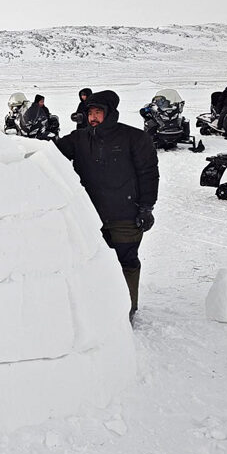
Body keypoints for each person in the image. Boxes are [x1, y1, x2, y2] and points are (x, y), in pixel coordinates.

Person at [54, 90, 159, 321]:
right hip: (90, 217)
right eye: (90, 112)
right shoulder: (79, 139)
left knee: (127, 261)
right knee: (92, 261)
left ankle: (127, 311)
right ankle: (98, 308)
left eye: (98, 112)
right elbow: (50, 154)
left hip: (126, 215)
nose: (93, 117)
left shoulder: (134, 138)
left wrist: (146, 207)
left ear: (110, 114)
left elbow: (148, 174)